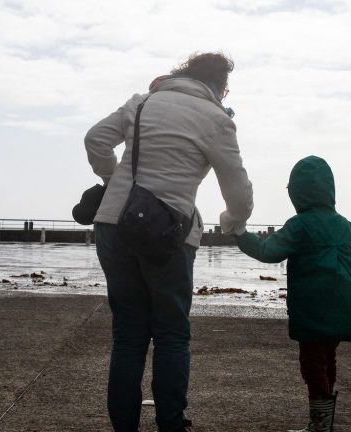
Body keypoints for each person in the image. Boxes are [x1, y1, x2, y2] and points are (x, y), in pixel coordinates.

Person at [84, 52, 253, 432]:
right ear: (220, 87)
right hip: (168, 233)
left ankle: (124, 427)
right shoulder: (216, 120)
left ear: (184, 73)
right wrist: (231, 222)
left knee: (128, 335)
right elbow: (239, 195)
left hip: (114, 224)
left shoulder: (142, 102)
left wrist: (112, 181)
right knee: (172, 335)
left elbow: (95, 139)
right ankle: (171, 424)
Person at [236, 155, 351, 432]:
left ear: (297, 192)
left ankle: (319, 425)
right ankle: (322, 424)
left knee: (311, 364)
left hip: (314, 307)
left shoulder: (300, 225)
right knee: (327, 359)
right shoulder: (346, 225)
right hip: (346, 303)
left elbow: (267, 251)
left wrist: (238, 234)